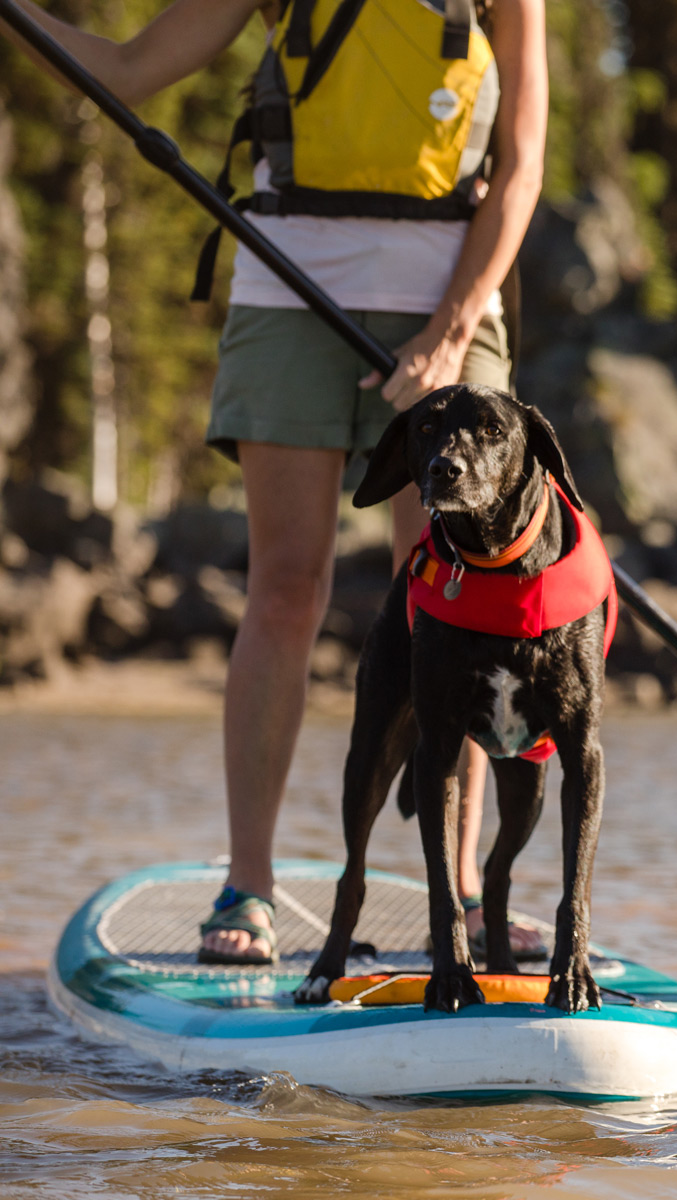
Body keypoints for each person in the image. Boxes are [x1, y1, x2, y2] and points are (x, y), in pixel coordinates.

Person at [5, 0, 548, 963]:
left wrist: (453, 331)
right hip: (287, 284)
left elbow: (522, 161)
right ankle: (247, 888)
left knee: (455, 603)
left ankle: (463, 894)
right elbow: (125, 72)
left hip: (448, 299)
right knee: (288, 588)